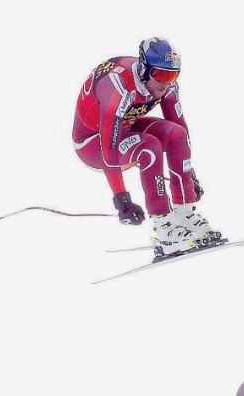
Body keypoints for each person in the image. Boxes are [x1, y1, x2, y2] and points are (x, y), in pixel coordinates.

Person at [72, 36, 221, 255]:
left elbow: (179, 125)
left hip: (124, 129)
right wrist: (121, 198)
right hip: (94, 143)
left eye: (172, 75)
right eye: (161, 74)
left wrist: (189, 178)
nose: (166, 82)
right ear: (143, 69)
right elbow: (108, 145)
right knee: (149, 146)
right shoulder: (117, 86)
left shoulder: (166, 85)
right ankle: (164, 226)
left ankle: (184, 215)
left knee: (176, 135)